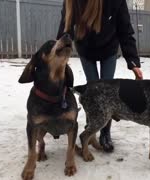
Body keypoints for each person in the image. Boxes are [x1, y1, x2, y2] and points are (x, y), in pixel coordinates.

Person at [57, 0, 143, 152]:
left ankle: (105, 133)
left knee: (108, 92)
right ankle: (91, 129)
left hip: (108, 49)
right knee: (94, 90)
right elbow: (65, 29)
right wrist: (58, 57)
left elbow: (125, 31)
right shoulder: (72, 2)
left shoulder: (114, 2)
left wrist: (133, 62)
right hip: (86, 49)